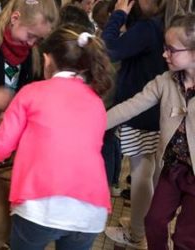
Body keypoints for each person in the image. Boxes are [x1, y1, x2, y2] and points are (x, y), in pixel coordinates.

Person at [0, 26, 113, 250]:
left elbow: (0, 146)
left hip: (40, 206)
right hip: (90, 211)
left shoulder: (31, 92)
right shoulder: (96, 101)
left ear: (47, 60)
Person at [107, 13, 195, 250]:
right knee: (153, 221)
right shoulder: (166, 81)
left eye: (171, 49)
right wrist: (93, 123)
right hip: (173, 168)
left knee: (185, 238)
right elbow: (131, 106)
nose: (164, 54)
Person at [101, 0, 167, 248]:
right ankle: (140, 227)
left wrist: (118, 15)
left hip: (142, 111)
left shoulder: (149, 27)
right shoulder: (162, 24)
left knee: (141, 171)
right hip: (158, 110)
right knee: (147, 171)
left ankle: (136, 233)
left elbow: (108, 49)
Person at [0, 0, 58, 149]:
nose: (32, 43)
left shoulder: (32, 55)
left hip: (11, 137)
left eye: (38, 39)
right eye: (30, 35)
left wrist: (11, 112)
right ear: (14, 18)